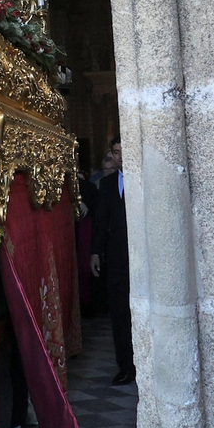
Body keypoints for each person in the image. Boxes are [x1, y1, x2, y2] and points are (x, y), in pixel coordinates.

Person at [91, 138, 134, 385]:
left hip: (140, 256)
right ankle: (125, 366)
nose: (119, 156)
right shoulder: (106, 184)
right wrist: (95, 252)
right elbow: (100, 221)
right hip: (116, 257)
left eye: (123, 151)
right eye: (116, 152)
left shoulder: (142, 178)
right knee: (118, 313)